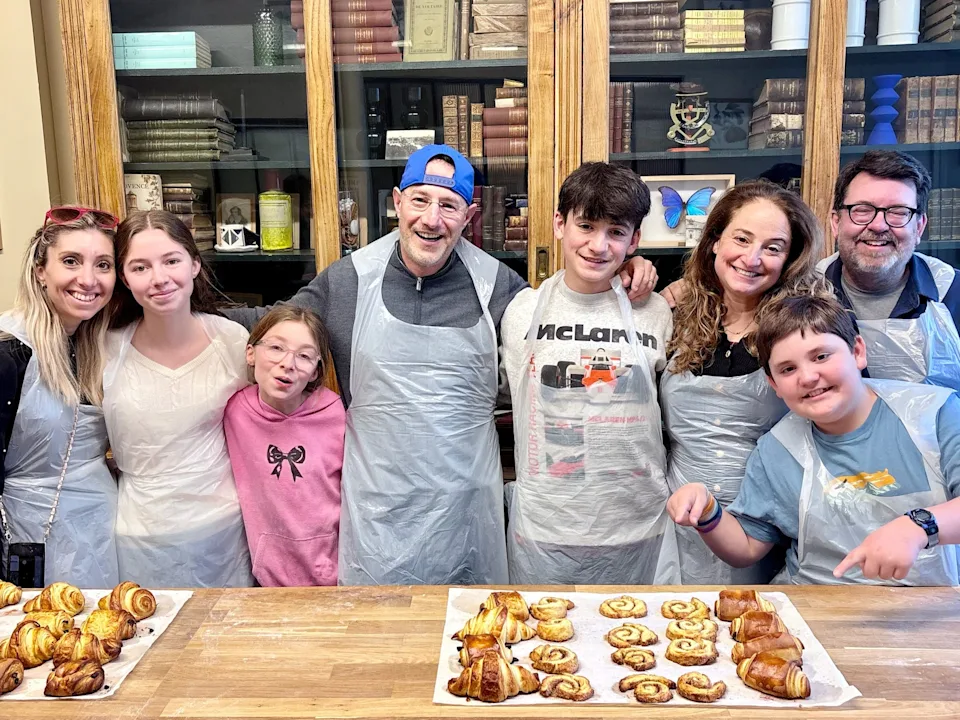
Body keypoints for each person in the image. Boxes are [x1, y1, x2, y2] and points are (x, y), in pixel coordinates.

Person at [224, 144, 658, 585]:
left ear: (469, 217)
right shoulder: (348, 280)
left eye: (448, 205)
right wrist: (173, 307)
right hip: (378, 515)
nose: (432, 219)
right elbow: (269, 326)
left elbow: (571, 315)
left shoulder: (501, 288)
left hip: (467, 518)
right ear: (397, 201)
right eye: (420, 200)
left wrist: (625, 272)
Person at [667, 288, 960, 585]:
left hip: (932, 612)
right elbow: (747, 547)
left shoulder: (934, 414)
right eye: (788, 369)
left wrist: (919, 526)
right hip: (812, 608)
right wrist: (707, 511)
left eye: (821, 356)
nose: (807, 377)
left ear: (857, 351)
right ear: (774, 384)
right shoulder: (777, 450)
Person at [500, 162, 673, 584]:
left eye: (616, 232)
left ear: (635, 240)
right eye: (586, 226)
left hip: (638, 523)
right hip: (546, 526)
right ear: (560, 224)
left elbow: (671, 416)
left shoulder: (655, 312)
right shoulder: (521, 310)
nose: (598, 246)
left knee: (636, 643)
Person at [660, 180, 823, 585]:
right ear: (714, 241)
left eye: (773, 247)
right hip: (674, 522)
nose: (752, 258)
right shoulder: (672, 317)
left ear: (790, 258)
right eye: (742, 238)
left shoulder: (805, 329)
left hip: (766, 527)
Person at [104, 210, 255, 588]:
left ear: (194, 265)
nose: (159, 279)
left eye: (171, 261)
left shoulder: (232, 342)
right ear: (124, 278)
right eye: (140, 267)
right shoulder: (105, 350)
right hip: (139, 538)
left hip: (223, 535)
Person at [0, 206, 120, 588]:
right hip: (28, 537)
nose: (88, 279)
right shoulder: (9, 355)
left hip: (101, 532)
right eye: (71, 261)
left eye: (103, 265)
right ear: (40, 270)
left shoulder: (100, 346)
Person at [224, 306, 345, 587]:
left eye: (304, 355)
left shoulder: (335, 415)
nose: (288, 363)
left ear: (316, 370)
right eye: (276, 347)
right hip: (265, 576)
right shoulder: (234, 411)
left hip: (333, 572)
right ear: (251, 353)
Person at [821, 149, 960, 390]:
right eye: (862, 210)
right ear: (836, 223)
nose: (878, 225)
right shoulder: (801, 294)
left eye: (898, 212)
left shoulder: (953, 293)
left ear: (919, 227)